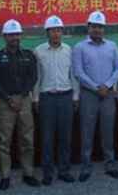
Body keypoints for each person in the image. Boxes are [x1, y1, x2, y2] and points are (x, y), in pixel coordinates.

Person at [72, 11, 118, 182]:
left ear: (104, 29)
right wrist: (96, 87)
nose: (97, 30)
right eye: (94, 26)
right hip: (89, 95)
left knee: (108, 131)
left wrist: (107, 85)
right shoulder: (79, 47)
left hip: (108, 94)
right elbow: (78, 72)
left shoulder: (112, 46)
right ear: (88, 27)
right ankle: (86, 166)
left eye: (100, 27)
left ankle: (110, 164)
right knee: (87, 131)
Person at [0, 19, 39, 190]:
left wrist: (22, 95)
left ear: (20, 35)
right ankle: (5, 176)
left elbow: (33, 77)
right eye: (11, 35)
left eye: (16, 34)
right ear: (5, 37)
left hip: (24, 101)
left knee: (27, 139)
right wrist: (8, 98)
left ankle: (28, 173)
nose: (14, 38)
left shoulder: (28, 55)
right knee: (4, 141)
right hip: (5, 102)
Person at [32, 16, 79, 186]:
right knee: (47, 138)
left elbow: (73, 75)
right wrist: (35, 98)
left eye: (59, 30)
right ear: (47, 33)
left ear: (62, 32)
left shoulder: (69, 50)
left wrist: (75, 96)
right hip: (47, 98)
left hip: (66, 97)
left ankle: (64, 170)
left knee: (65, 137)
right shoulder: (39, 51)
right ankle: (48, 172)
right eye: (52, 30)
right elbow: (37, 77)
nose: (56, 33)